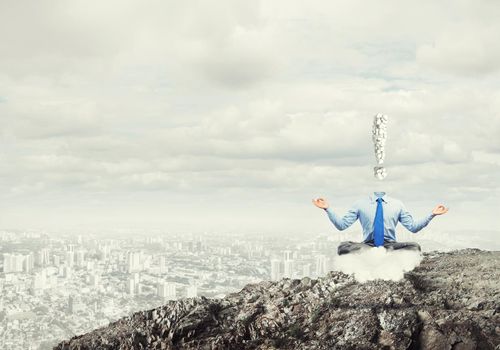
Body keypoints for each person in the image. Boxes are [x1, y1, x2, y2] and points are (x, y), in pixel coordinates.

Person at [312, 191, 449, 255]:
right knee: (342, 247)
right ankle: (379, 254)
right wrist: (327, 209)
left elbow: (413, 228)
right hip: (368, 245)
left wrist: (432, 214)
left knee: (415, 247)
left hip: (390, 244)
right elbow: (342, 225)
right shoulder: (360, 204)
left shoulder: (397, 204)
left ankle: (381, 254)